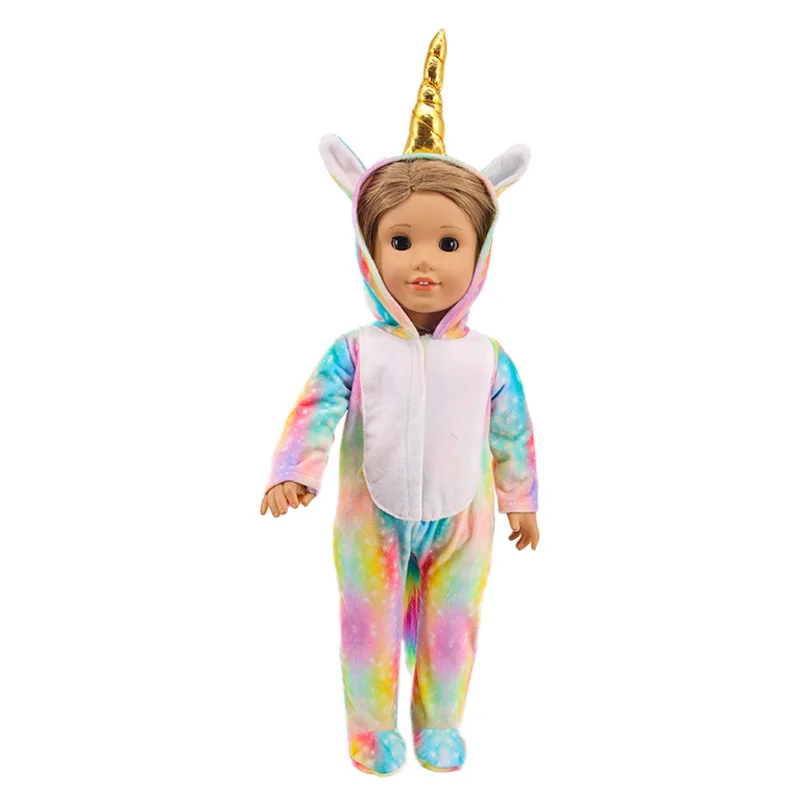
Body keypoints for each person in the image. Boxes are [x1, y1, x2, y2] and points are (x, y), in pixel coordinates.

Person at [260, 29, 541, 775]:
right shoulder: (357, 349)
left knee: (453, 626)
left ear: (479, 255)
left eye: (448, 245)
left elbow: (512, 432)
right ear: (370, 249)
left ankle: (441, 723)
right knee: (368, 626)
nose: (424, 262)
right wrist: (295, 471)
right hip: (370, 519)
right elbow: (317, 408)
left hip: (464, 519)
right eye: (402, 241)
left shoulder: (487, 358)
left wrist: (520, 500)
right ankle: (371, 730)